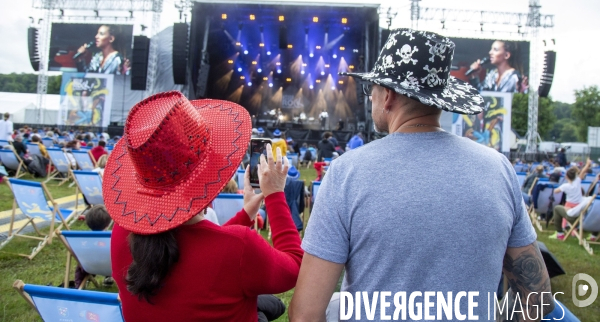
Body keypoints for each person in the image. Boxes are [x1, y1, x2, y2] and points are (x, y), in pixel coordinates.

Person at [289, 29, 553, 320]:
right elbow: (537, 299)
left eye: (371, 90)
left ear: (387, 96)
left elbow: (306, 314)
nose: (370, 98)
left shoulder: (346, 173)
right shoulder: (498, 168)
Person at [103, 91, 302, 322]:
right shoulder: (240, 248)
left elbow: (202, 252)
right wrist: (275, 195)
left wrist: (246, 213)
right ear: (207, 179)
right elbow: (294, 266)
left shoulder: (121, 233)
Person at [549, 159, 592, 240]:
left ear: (566, 176)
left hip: (571, 209)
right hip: (579, 209)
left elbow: (555, 191)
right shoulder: (577, 182)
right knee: (566, 209)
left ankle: (560, 233)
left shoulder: (565, 186)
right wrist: (587, 164)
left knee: (558, 208)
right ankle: (573, 229)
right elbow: (583, 171)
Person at [74, 205, 113, 289]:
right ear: (108, 224)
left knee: (79, 266)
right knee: (109, 255)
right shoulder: (112, 237)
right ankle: (108, 277)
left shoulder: (83, 239)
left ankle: (78, 286)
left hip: (89, 267)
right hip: (111, 267)